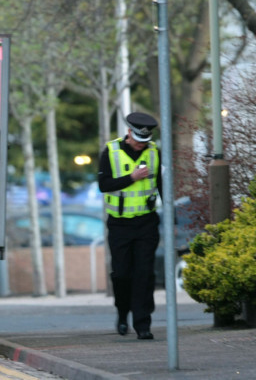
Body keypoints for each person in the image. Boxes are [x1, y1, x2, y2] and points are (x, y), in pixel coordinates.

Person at [98, 112, 162, 340]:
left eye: (144, 142)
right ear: (128, 133)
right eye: (137, 141)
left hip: (147, 223)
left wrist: (172, 217)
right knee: (122, 274)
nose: (140, 146)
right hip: (120, 225)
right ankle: (123, 313)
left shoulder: (154, 152)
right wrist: (131, 178)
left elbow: (161, 183)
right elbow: (103, 185)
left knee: (144, 275)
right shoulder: (111, 152)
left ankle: (143, 324)